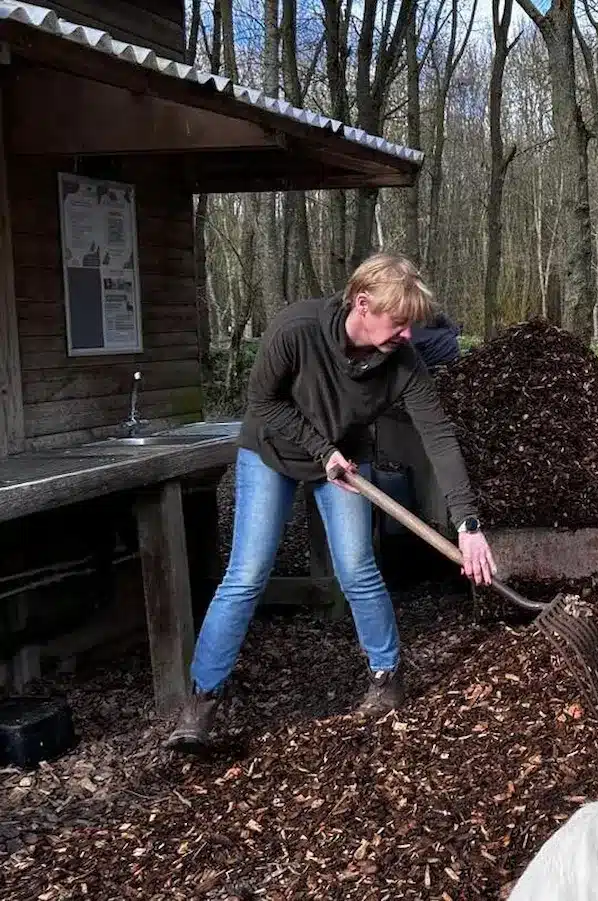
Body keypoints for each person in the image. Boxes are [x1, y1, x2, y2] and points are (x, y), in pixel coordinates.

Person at [165, 252, 496, 751]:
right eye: (399, 321)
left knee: (357, 567)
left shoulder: (403, 361)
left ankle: (387, 678)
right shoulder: (296, 330)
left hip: (345, 456)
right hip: (273, 451)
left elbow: (439, 437)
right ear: (362, 304)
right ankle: (202, 699)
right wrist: (321, 450)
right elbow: (262, 402)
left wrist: (467, 523)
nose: (407, 333)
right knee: (247, 574)